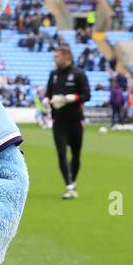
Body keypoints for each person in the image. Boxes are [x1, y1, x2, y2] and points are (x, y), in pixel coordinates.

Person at [43, 45, 90, 199]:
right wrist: (47, 101)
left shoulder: (78, 74)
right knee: (61, 153)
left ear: (66, 57)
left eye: (57, 56)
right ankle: (69, 186)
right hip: (59, 122)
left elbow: (86, 95)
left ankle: (72, 180)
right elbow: (48, 94)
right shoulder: (53, 74)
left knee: (76, 155)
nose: (54, 59)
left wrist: (69, 98)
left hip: (76, 121)